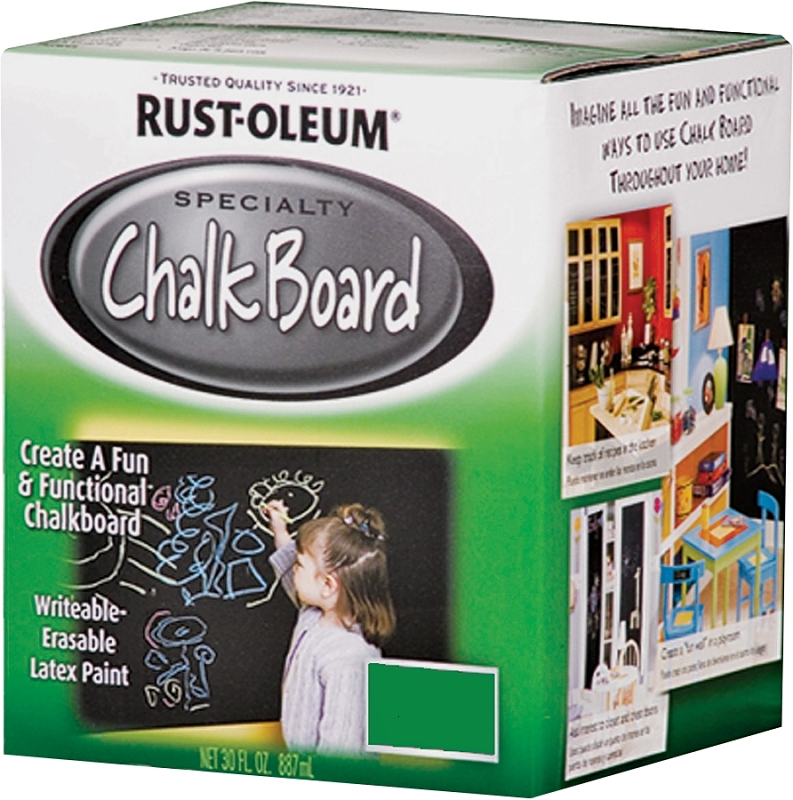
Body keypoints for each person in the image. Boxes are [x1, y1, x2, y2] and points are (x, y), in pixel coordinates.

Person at [266, 499, 396, 754]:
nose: (293, 568)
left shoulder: (348, 659)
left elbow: (341, 751)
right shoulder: (314, 614)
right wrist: (279, 530)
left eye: (299, 564)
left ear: (327, 585)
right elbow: (290, 575)